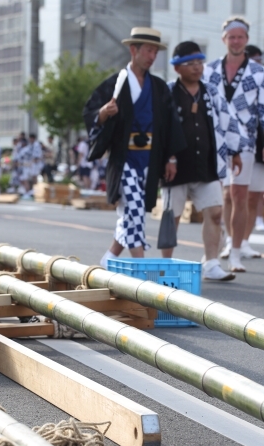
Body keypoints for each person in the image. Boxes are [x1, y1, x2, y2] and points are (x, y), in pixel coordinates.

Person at [83, 27, 186, 268]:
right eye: (148, 51)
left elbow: (171, 124)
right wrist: (104, 113)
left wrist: (170, 158)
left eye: (155, 52)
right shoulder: (115, 84)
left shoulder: (159, 87)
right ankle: (141, 266)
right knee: (135, 210)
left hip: (150, 158)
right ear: (134, 50)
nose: (152, 56)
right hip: (124, 158)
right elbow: (91, 112)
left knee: (134, 210)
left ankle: (109, 259)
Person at [204, 17, 264, 272]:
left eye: (240, 37)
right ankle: (218, 247)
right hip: (216, 140)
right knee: (218, 197)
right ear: (224, 39)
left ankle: (236, 252)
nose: (236, 41)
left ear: (247, 40)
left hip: (246, 140)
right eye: (232, 36)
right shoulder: (209, 70)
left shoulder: (258, 72)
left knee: (241, 196)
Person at [162, 42, 243, 281]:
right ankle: (165, 265)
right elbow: (161, 129)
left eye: (200, 62)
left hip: (207, 163)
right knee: (171, 216)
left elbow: (228, 121)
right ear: (177, 68)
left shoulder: (211, 92)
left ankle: (211, 263)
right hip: (175, 165)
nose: (197, 68)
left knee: (216, 212)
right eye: (190, 63)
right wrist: (168, 157)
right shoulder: (167, 92)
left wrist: (235, 151)